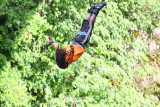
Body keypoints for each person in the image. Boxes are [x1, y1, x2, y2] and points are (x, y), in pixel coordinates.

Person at [48, 1, 106, 69]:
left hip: (81, 41)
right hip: (77, 38)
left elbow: (70, 57)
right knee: (85, 23)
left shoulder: (67, 60)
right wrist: (52, 42)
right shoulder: (62, 53)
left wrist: (72, 51)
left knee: (90, 24)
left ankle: (97, 8)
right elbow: (57, 48)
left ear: (64, 64)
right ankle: (92, 8)